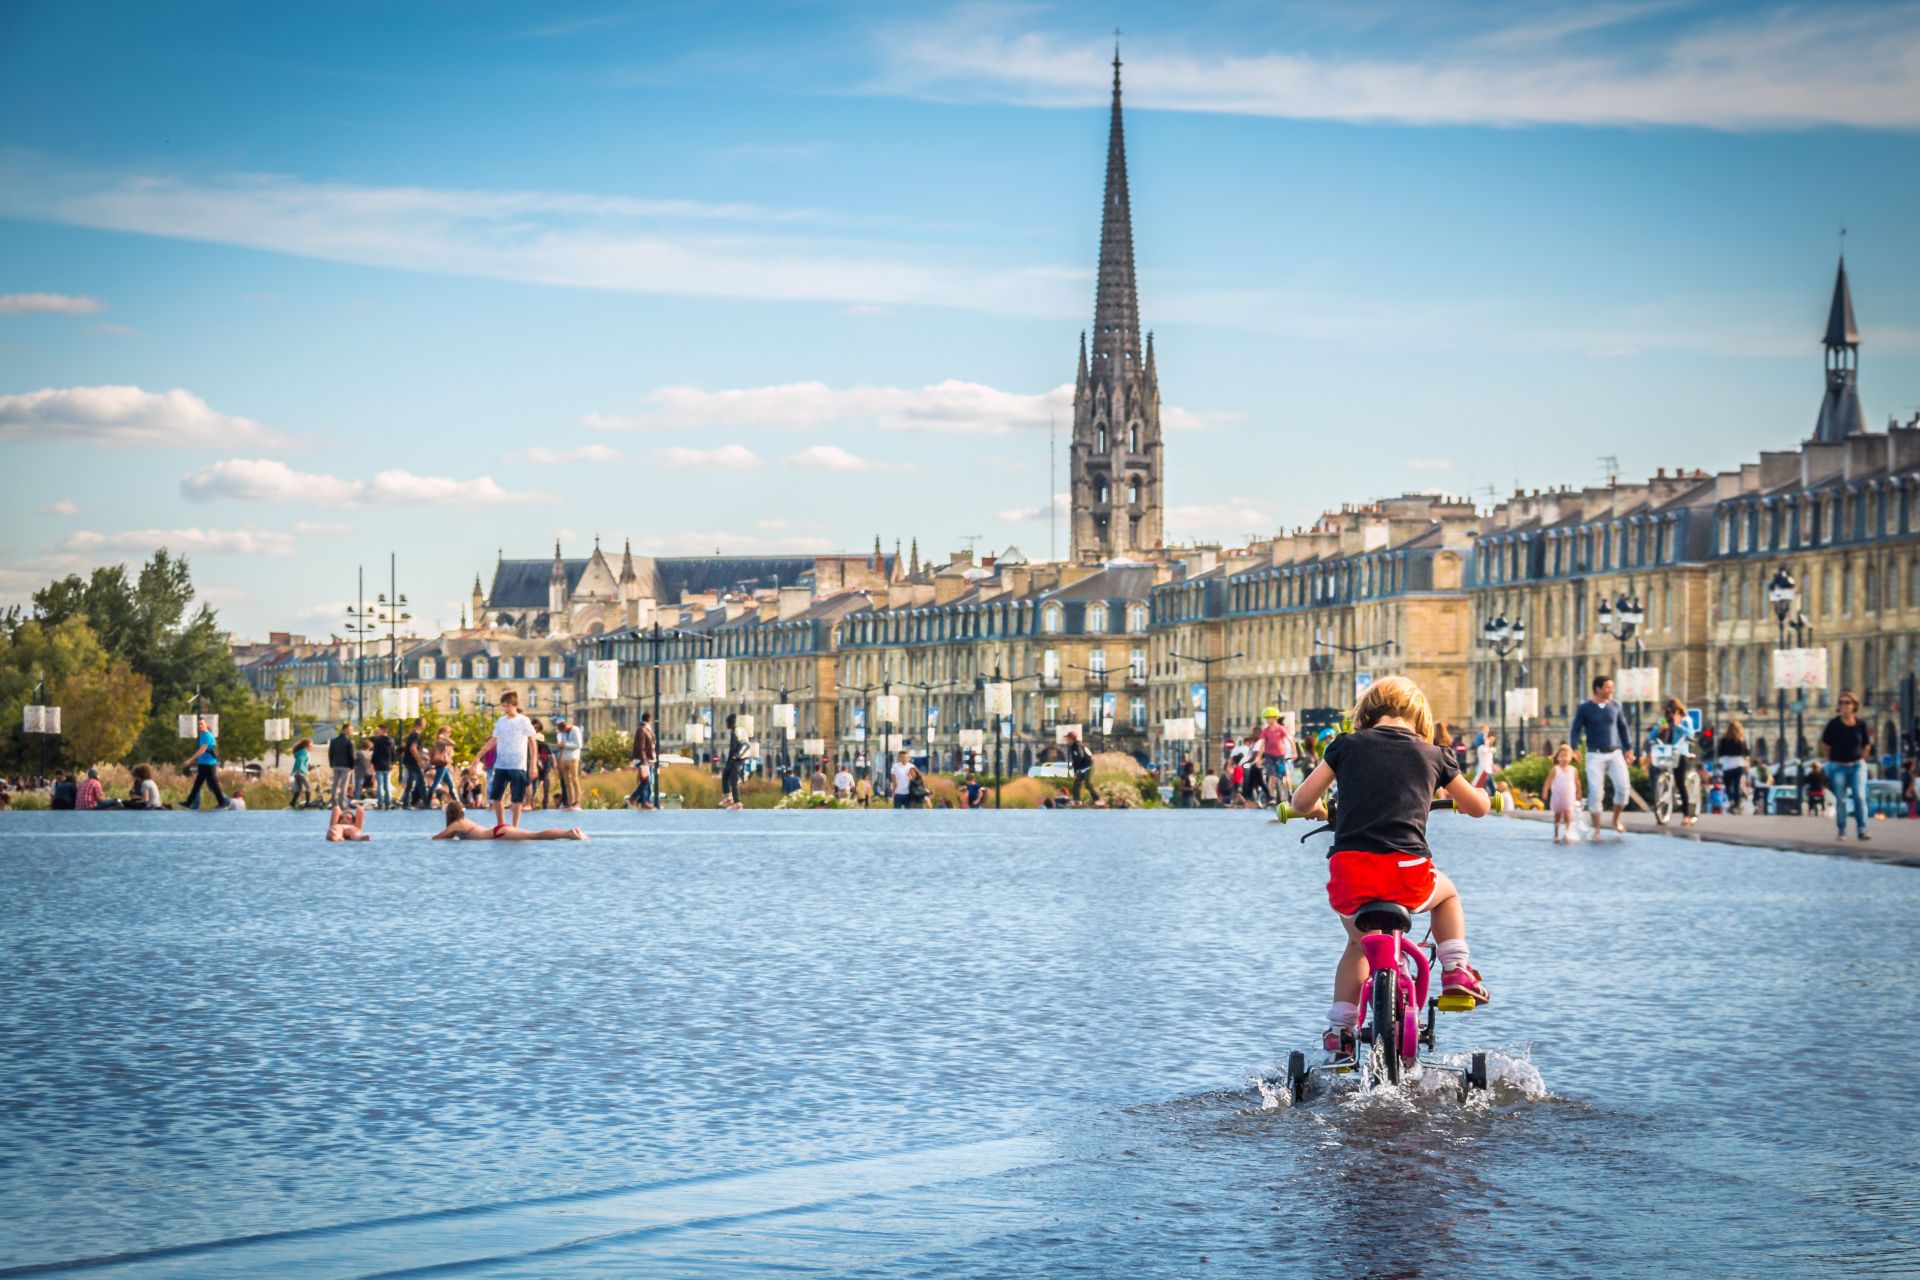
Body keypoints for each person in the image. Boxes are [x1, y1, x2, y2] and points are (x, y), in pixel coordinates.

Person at [1284, 675, 1493, 1058]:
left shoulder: (1344, 746)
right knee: (1448, 895)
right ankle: (1455, 971)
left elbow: (1301, 801)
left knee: (1356, 943)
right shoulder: (1435, 754)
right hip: (1408, 876)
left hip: (1351, 878)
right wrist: (1479, 797)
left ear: (1366, 713)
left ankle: (1340, 1030)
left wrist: (1315, 809)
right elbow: (1478, 807)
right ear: (1419, 717)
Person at [1570, 675, 1631, 836]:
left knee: (1623, 788)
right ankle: (1597, 828)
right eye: (1608, 687)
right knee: (1596, 793)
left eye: (1612, 687)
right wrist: (1574, 748)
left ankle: (1615, 819)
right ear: (1598, 689)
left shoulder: (1615, 706)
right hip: (1594, 755)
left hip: (1615, 753)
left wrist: (1629, 749)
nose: (1612, 690)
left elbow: (1623, 728)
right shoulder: (1585, 708)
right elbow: (1576, 729)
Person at [474, 691, 537, 832]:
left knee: (517, 798)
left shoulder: (523, 720)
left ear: (515, 705)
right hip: (501, 764)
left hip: (518, 765)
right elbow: (493, 740)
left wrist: (533, 764)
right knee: (495, 796)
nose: (505, 709)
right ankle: (501, 824)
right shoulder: (501, 721)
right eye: (503, 706)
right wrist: (478, 756)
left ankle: (514, 827)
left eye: (508, 706)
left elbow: (532, 741)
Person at [1820, 690, 1873, 840]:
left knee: (1859, 797)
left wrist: (1862, 760)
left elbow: (1867, 745)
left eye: (1847, 702)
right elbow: (1826, 745)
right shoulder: (1833, 724)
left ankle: (1862, 829)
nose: (1843, 705)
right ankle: (1842, 830)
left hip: (1857, 766)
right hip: (1838, 767)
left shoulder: (1861, 725)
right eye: (1841, 702)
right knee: (1841, 800)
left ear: (1854, 705)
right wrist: (1831, 761)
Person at [431, 799, 586, 841]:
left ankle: (569, 833)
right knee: (535, 835)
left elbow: (437, 838)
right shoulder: (463, 821)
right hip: (499, 831)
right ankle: (569, 833)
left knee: (536, 836)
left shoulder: (456, 825)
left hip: (499, 833)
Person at [1649, 697, 1697, 827]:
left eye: (1672, 711)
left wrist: (1678, 726)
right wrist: (1658, 729)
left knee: (1680, 783)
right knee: (1657, 772)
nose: (1670, 714)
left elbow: (1690, 735)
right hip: (1666, 752)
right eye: (1667, 712)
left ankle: (1686, 815)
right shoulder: (1664, 720)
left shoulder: (1685, 720)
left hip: (1680, 753)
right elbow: (1651, 736)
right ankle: (1660, 796)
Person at [183, 715, 234, 811]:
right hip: (203, 764)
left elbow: (202, 750)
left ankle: (224, 802)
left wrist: (190, 760)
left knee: (213, 785)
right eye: (198, 725)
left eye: (201, 724)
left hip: (209, 765)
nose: (200, 726)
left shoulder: (207, 736)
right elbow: (202, 752)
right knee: (198, 784)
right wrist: (196, 761)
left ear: (206, 725)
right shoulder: (203, 736)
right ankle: (188, 803)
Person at [1547, 743, 1581, 843]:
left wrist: (1579, 793)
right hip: (1558, 797)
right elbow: (1548, 781)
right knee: (1557, 816)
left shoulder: (1573, 770)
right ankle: (1556, 833)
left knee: (1568, 815)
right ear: (1557, 758)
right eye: (1561, 756)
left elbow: (1577, 782)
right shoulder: (1555, 769)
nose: (1564, 758)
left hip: (1569, 797)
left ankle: (1567, 832)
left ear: (1571, 757)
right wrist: (1545, 791)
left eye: (1566, 756)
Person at [1718, 720, 1750, 814]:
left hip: (1727, 764)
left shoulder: (1724, 740)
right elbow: (1746, 753)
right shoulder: (1741, 739)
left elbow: (1720, 752)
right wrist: (1747, 763)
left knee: (1727, 785)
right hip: (1739, 764)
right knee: (1737, 786)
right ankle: (1737, 804)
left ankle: (1731, 800)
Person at [554, 715, 584, 810]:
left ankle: (577, 801)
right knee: (567, 781)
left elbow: (578, 744)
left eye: (564, 730)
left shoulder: (575, 730)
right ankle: (570, 802)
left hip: (573, 758)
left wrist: (565, 744)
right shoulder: (561, 732)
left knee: (574, 779)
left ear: (567, 725)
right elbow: (561, 742)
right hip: (564, 758)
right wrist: (560, 745)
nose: (563, 732)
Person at [628, 712, 656, 809]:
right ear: (649, 720)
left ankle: (644, 801)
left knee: (648, 781)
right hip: (643, 759)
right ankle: (635, 797)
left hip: (648, 759)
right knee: (645, 781)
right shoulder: (642, 730)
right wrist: (644, 761)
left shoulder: (646, 729)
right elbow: (641, 747)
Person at [721, 714, 749, 809]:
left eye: (728, 723)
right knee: (725, 775)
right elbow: (733, 748)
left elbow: (745, 745)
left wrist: (736, 756)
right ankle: (728, 798)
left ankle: (737, 802)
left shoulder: (738, 730)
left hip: (739, 758)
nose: (726, 725)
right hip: (733, 757)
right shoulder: (734, 731)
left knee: (734, 779)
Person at [528, 719, 556, 809]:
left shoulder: (543, 744)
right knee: (533, 785)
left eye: (536, 728)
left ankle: (545, 804)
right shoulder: (528, 741)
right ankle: (530, 802)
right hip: (535, 767)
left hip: (545, 767)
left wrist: (554, 765)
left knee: (546, 787)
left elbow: (551, 755)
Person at [402, 718, 429, 809]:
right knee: (421, 782)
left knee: (409, 783)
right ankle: (426, 803)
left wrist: (421, 756)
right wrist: (420, 761)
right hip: (413, 762)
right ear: (422, 724)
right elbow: (413, 749)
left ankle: (406, 803)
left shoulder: (411, 734)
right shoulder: (416, 735)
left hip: (409, 761)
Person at [327, 724, 355, 808]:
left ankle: (333, 803)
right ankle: (341, 804)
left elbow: (330, 753)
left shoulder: (333, 741)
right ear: (345, 730)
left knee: (335, 784)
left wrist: (332, 764)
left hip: (336, 764)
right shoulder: (349, 742)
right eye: (350, 730)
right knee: (344, 785)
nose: (351, 732)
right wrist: (352, 766)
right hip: (346, 766)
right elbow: (351, 755)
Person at [369, 723, 395, 810]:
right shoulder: (391, 741)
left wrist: (372, 762)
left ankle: (380, 802)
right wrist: (392, 762)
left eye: (378, 730)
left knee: (379, 785)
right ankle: (388, 802)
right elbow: (393, 753)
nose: (377, 731)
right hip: (387, 765)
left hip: (379, 765)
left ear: (382, 730)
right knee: (387, 785)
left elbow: (375, 753)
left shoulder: (377, 741)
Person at [427, 727, 456, 803]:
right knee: (436, 783)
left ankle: (455, 801)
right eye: (448, 732)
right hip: (441, 765)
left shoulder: (441, 741)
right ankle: (427, 800)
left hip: (445, 766)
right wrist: (444, 737)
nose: (449, 734)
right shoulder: (440, 741)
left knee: (450, 784)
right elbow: (453, 743)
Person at [1065, 731, 1094, 804]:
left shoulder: (1077, 745)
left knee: (1085, 784)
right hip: (1085, 767)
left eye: (1068, 738)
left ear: (1072, 739)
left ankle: (1096, 799)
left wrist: (1076, 769)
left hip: (1087, 767)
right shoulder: (1076, 745)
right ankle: (1077, 801)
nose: (1067, 740)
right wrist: (1073, 766)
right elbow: (1078, 758)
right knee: (1076, 784)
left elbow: (1079, 756)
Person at [289, 738, 313, 808]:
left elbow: (302, 761)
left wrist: (309, 766)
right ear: (307, 745)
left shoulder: (300, 752)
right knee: (308, 787)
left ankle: (292, 803)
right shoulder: (305, 752)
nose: (312, 747)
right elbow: (300, 760)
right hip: (300, 772)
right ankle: (307, 803)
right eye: (311, 745)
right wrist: (301, 769)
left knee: (298, 789)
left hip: (296, 772)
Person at [352, 735, 374, 804]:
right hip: (368, 772)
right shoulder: (370, 754)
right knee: (367, 788)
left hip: (359, 771)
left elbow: (354, 760)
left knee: (358, 787)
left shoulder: (358, 752)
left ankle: (357, 800)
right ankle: (366, 799)